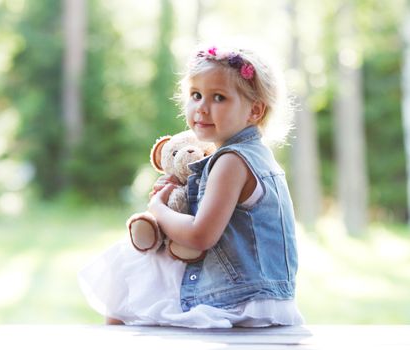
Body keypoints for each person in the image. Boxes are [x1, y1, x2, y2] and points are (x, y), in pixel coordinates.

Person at [78, 41, 304, 328]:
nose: (202, 108)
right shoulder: (257, 156)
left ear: (255, 111)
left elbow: (200, 236)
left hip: (241, 299)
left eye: (219, 98)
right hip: (263, 294)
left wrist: (158, 209)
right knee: (136, 268)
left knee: (130, 266)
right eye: (196, 95)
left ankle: (116, 339)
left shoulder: (231, 161)